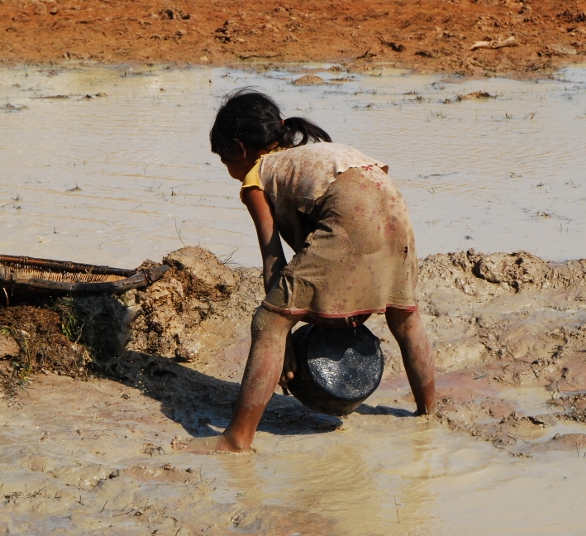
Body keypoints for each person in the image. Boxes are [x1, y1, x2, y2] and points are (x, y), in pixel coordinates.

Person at [173, 88, 435, 453]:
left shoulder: (256, 176)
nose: (229, 171)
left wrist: (281, 331)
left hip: (351, 218)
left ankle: (236, 440)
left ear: (238, 149)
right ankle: (429, 414)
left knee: (267, 323)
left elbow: (273, 258)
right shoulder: (311, 154)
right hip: (395, 212)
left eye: (224, 160)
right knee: (405, 317)